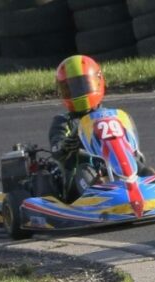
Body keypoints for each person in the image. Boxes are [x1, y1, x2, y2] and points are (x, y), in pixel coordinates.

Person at [49, 54, 108, 202]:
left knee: (136, 165)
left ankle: (148, 182)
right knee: (86, 171)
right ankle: (100, 196)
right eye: (71, 89)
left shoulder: (108, 115)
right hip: (76, 178)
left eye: (83, 86)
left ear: (98, 82)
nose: (78, 93)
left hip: (112, 166)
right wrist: (65, 145)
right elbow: (56, 148)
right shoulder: (63, 121)